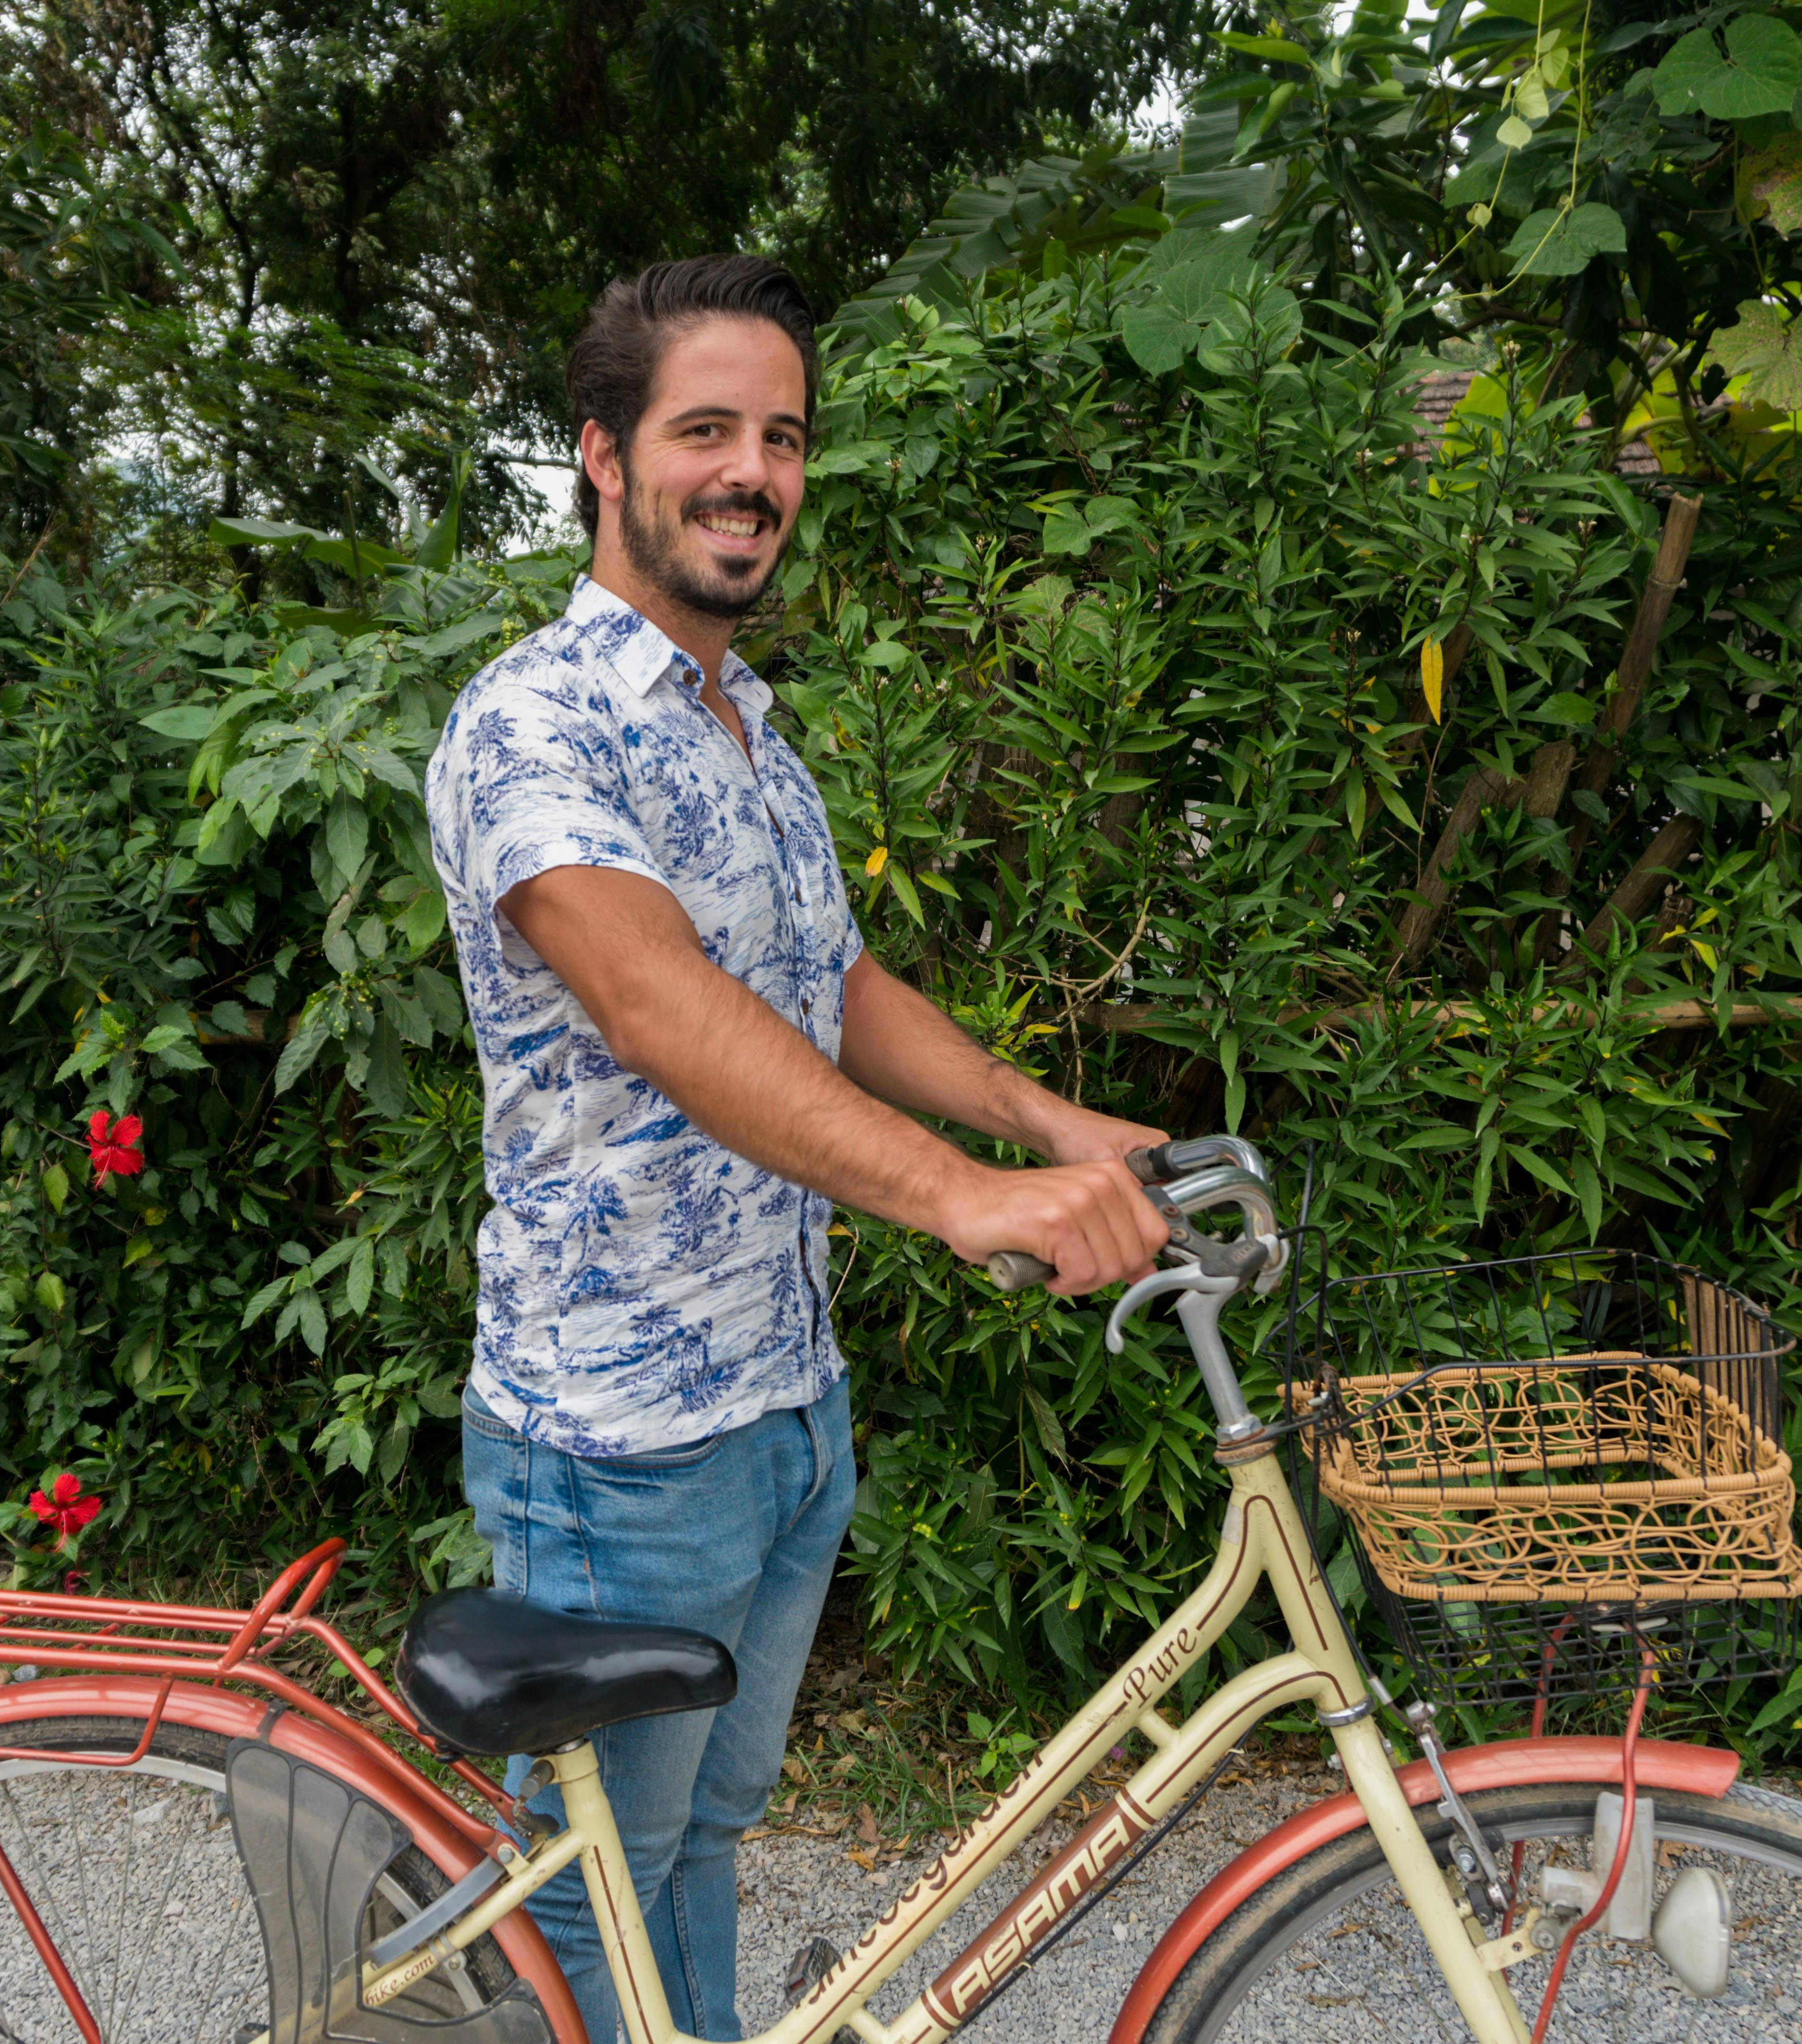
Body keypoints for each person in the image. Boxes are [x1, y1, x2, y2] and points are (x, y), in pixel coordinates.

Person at [421, 252, 1171, 2041]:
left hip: (782, 1397)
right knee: (605, 1878)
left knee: (702, 1830)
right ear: (603, 456)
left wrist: (1047, 1119)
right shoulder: (535, 721)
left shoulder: (747, 728)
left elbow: (821, 982)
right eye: (705, 430)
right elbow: (661, 1007)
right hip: (619, 1440)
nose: (751, 470)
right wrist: (965, 1198)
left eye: (783, 435)